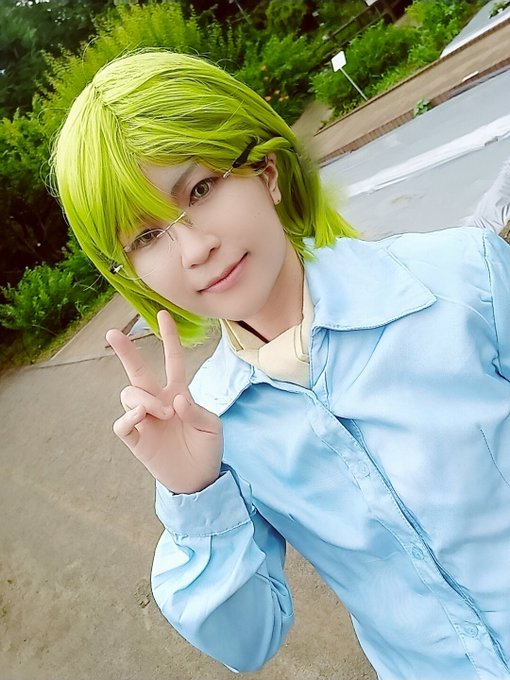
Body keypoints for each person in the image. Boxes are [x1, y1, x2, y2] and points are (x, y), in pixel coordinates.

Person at [51, 50, 510, 680]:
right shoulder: (208, 426)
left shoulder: (464, 279)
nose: (195, 249)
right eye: (147, 236)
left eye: (201, 190)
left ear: (266, 171)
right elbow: (247, 643)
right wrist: (194, 494)